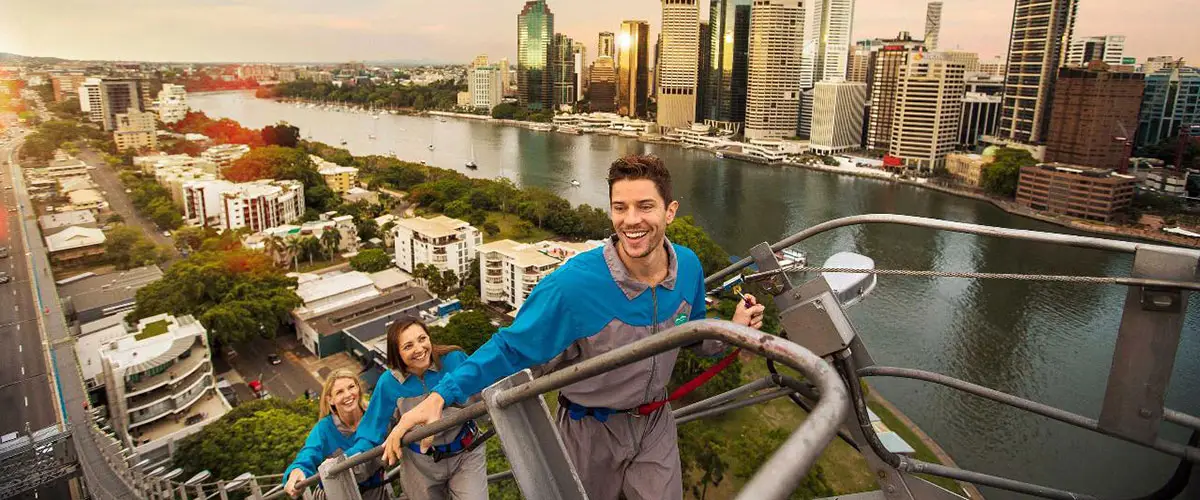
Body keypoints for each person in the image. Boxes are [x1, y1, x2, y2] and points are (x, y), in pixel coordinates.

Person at [383, 154, 765, 500]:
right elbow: (510, 347)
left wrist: (732, 329)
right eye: (620, 207)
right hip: (588, 431)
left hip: (655, 425)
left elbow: (694, 332)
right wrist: (440, 396)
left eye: (645, 206)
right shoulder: (572, 286)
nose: (631, 220)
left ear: (670, 212)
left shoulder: (689, 267)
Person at [346, 318, 487, 500]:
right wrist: (347, 460)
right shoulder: (389, 384)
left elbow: (484, 391)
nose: (419, 349)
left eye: (422, 339)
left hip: (466, 451)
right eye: (408, 346)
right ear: (396, 353)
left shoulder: (453, 359)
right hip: (420, 464)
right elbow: (372, 433)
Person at [283, 369, 385, 499]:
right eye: (339, 392)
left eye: (351, 387)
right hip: (335, 494)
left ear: (359, 389)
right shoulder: (324, 428)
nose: (348, 395)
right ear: (330, 400)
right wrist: (298, 469)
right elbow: (309, 452)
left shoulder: (375, 414)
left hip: (375, 490)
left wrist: (338, 462)